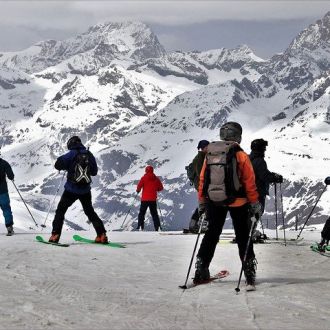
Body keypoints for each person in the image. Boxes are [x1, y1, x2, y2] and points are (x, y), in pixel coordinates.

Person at [194, 122, 262, 289]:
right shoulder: (240, 154)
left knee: (211, 234)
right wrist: (254, 202)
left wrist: (202, 201)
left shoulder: (210, 153)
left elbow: (203, 179)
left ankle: (201, 267)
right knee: (243, 235)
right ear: (237, 135)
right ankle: (249, 271)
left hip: (214, 200)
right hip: (238, 201)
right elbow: (249, 181)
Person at [49, 136, 108, 243]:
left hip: (71, 190)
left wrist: (68, 167)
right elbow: (94, 172)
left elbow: (57, 165)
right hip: (85, 190)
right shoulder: (89, 154)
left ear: (71, 144)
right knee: (90, 212)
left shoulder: (71, 153)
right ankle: (101, 235)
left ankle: (55, 235)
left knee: (61, 211)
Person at [249, 139, 283, 214]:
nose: (265, 149)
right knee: (257, 214)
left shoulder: (248, 159)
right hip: (258, 193)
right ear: (260, 149)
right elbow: (264, 176)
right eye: (264, 147)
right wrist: (275, 178)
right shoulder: (260, 161)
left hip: (248, 193)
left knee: (249, 216)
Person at [188, 140, 209, 233]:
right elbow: (201, 172)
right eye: (207, 146)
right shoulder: (200, 157)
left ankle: (195, 224)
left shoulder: (203, 156)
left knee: (204, 204)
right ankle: (195, 225)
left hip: (201, 184)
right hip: (201, 184)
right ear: (204, 148)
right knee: (204, 204)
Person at [136, 165, 163, 231]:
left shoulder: (144, 178)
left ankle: (140, 226)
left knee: (142, 213)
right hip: (153, 199)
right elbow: (161, 188)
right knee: (154, 214)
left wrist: (138, 190)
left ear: (146, 170)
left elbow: (139, 186)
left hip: (144, 199)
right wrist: (156, 189)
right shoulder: (156, 178)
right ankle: (157, 227)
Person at [0, 153, 15, 236]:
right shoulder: (4, 163)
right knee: (6, 209)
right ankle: (9, 228)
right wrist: (12, 177)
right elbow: (11, 176)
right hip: (2, 191)